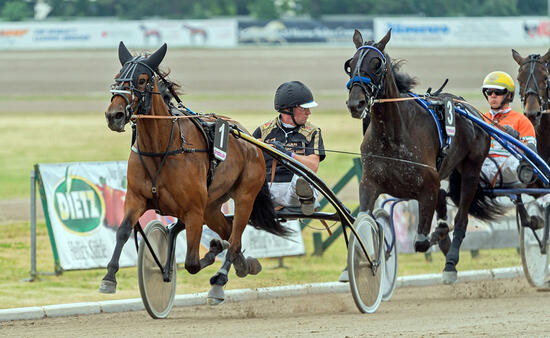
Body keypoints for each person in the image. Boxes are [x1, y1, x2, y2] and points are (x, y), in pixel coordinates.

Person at [253, 81, 326, 215]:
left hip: (294, 188)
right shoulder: (263, 131)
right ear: (288, 109)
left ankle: (305, 199)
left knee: (302, 180)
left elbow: (313, 165)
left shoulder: (313, 132)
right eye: (304, 108)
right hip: (267, 188)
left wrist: (288, 154)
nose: (309, 113)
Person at [480, 71, 537, 187]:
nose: (493, 95)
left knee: (517, 162)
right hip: (481, 165)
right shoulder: (480, 118)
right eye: (489, 92)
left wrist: (516, 140)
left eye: (498, 92)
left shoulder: (521, 120)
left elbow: (531, 151)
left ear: (509, 95)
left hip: (509, 166)